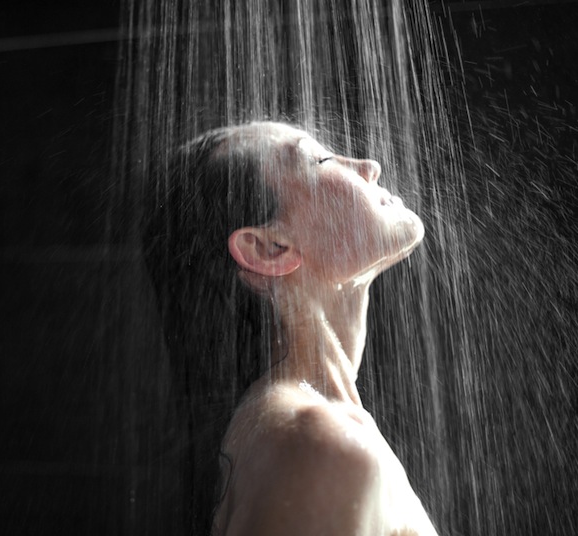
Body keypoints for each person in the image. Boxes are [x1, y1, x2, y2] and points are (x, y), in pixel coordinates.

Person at [142, 121, 438, 535]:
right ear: (268, 249)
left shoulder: (293, 428)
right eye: (322, 160)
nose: (369, 166)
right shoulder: (321, 446)